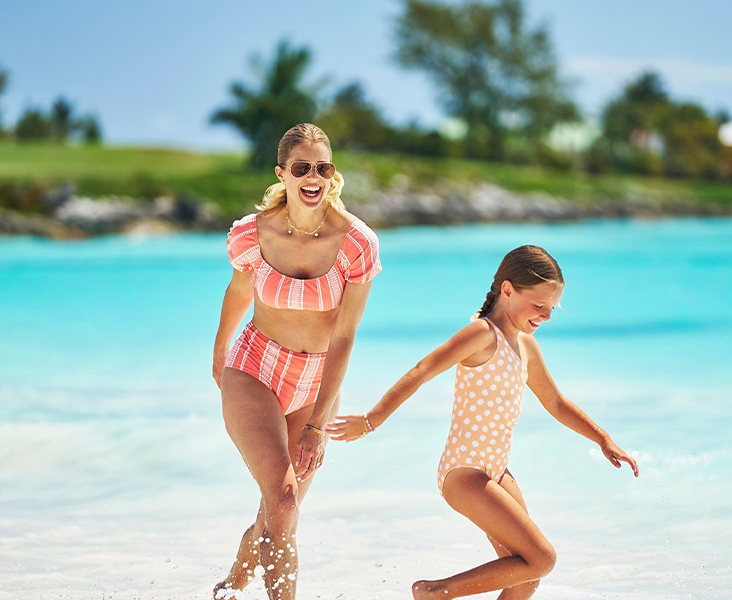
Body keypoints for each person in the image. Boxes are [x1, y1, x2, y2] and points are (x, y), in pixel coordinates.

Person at [327, 245, 638, 600]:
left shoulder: (525, 345)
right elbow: (423, 370)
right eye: (538, 305)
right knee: (542, 557)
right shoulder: (481, 334)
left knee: (526, 575)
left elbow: (555, 401)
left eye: (552, 308)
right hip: (465, 472)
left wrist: (603, 438)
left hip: (498, 470)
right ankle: (433, 592)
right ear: (507, 290)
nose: (546, 316)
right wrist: (371, 420)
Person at [212, 123, 381, 600]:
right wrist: (219, 352)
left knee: (276, 510)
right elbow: (238, 292)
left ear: (332, 175)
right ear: (282, 173)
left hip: (316, 384)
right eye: (301, 167)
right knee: (283, 502)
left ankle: (228, 589)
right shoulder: (250, 234)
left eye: (322, 167)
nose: (313, 176)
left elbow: (345, 335)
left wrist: (317, 425)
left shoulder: (356, 244)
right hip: (254, 370)